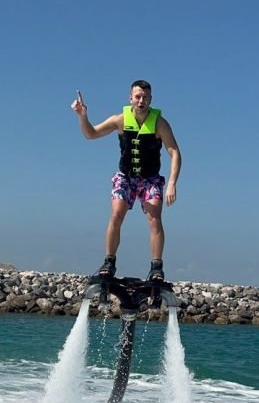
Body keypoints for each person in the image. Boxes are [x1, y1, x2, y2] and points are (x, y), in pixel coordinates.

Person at [71, 80, 182, 282]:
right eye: (138, 96)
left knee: (154, 217)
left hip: (150, 179)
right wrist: (83, 116)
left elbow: (174, 152)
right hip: (126, 177)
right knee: (116, 214)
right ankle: (109, 262)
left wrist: (172, 183)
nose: (141, 101)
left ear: (150, 99)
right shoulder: (120, 120)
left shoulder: (160, 124)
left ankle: (156, 268)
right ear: (130, 98)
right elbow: (90, 134)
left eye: (145, 97)